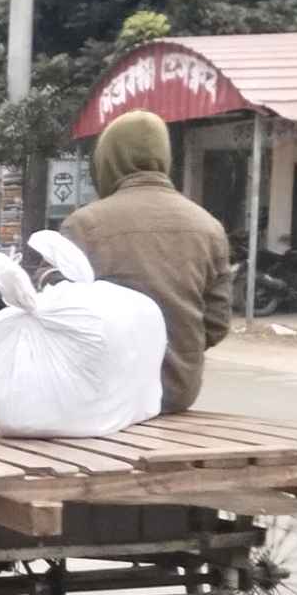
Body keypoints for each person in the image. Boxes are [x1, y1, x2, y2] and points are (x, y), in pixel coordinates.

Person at [59, 110, 232, 414]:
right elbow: (216, 323)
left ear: (107, 160)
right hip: (177, 392)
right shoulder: (208, 226)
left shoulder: (83, 225)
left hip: (104, 391)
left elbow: (59, 318)